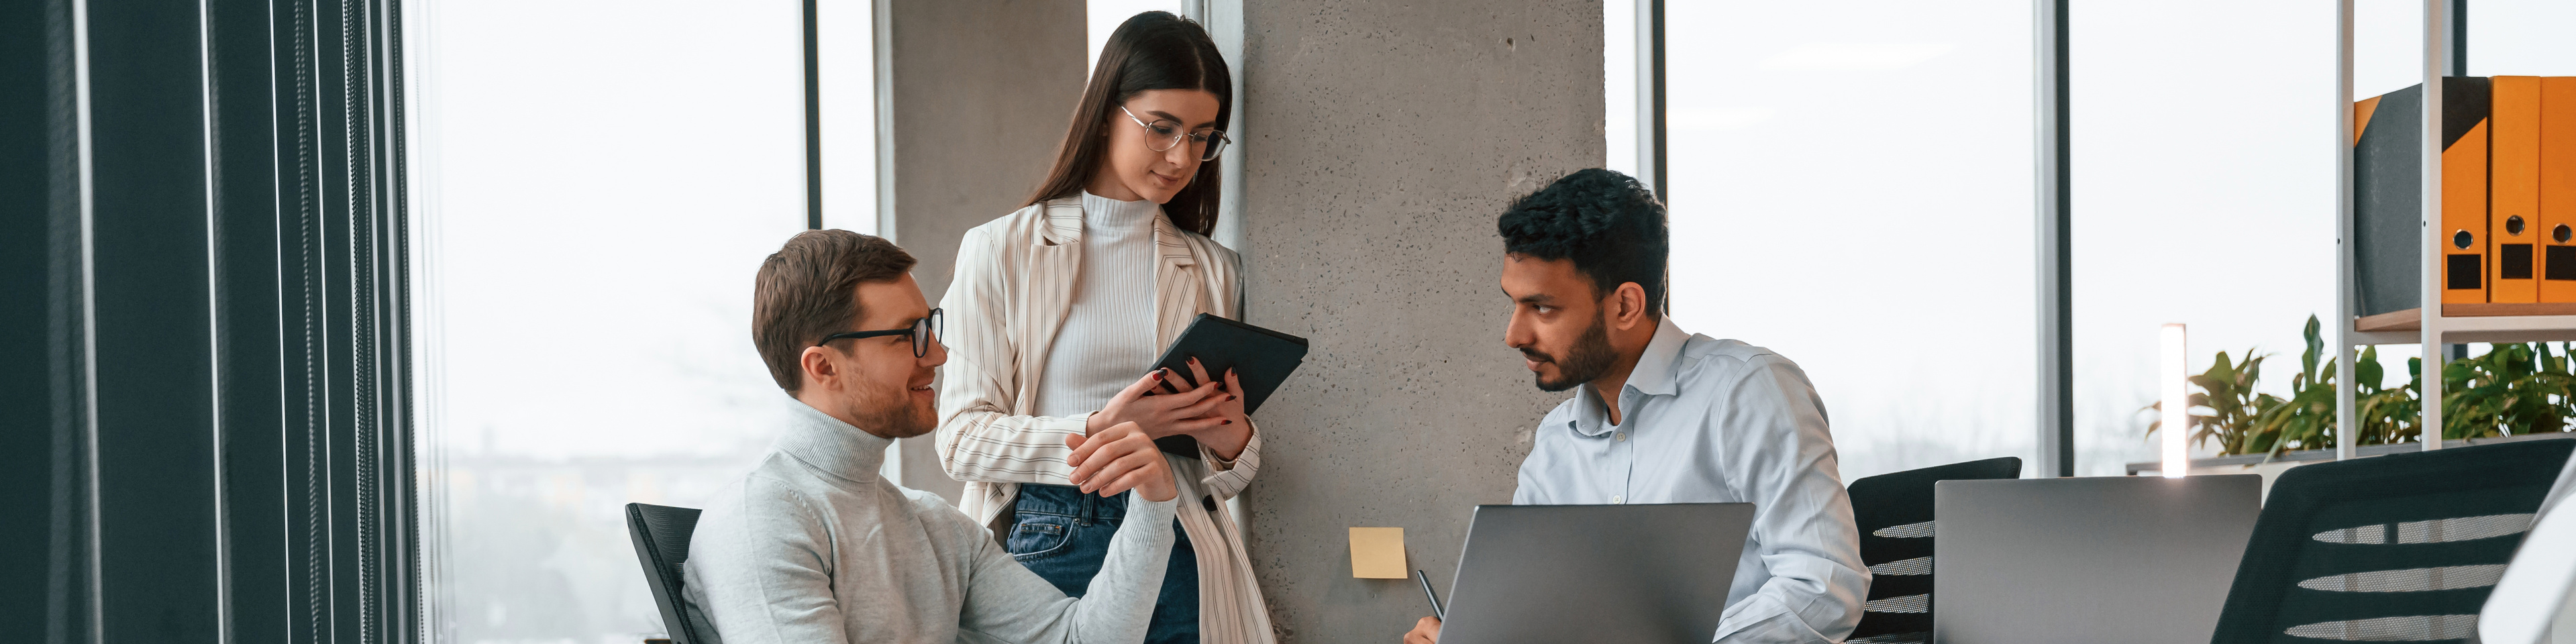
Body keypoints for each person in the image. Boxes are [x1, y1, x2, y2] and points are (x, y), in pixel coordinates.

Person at [1403, 169, 1869, 644]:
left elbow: (1824, 586)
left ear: (1625, 305)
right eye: (1515, 304)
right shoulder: (1556, 442)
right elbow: (1537, 616)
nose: (1514, 335)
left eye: (1542, 308)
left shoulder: (1746, 392)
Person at [936, 11, 1272, 644]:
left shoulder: (1211, 269)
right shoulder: (1001, 249)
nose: (1182, 157)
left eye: (1203, 136)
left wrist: (1233, 441)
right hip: (1053, 534)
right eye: (1161, 128)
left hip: (1180, 540)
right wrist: (1103, 432)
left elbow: (1224, 478)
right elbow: (960, 441)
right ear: (1106, 112)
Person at [684, 230, 1184, 644]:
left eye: (931, 327)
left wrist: (1152, 505)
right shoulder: (762, 519)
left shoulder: (937, 527)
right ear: (824, 367)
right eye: (909, 335)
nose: (938, 355)